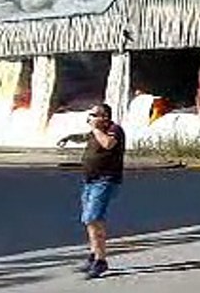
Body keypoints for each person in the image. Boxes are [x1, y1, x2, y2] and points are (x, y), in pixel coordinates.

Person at [77, 103, 124, 279]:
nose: (90, 118)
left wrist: (96, 129)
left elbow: (108, 144)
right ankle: (94, 254)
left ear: (104, 117)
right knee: (90, 220)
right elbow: (86, 137)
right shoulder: (96, 131)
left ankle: (101, 261)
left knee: (93, 218)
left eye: (94, 115)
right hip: (90, 181)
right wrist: (70, 137)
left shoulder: (114, 129)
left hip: (105, 181)